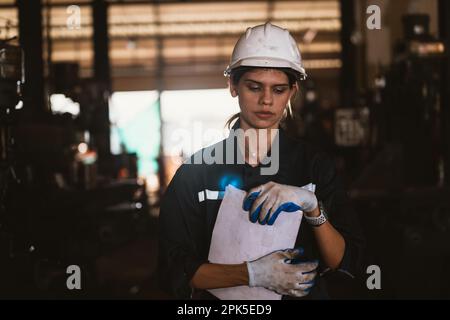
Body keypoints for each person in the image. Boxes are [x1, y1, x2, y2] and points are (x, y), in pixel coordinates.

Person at [158, 22, 365, 299]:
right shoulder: (196, 175)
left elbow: (344, 260)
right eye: (254, 87)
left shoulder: (314, 166)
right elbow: (174, 269)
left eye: (278, 90)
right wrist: (253, 273)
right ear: (233, 85)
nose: (266, 100)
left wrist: (313, 208)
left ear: (292, 92)